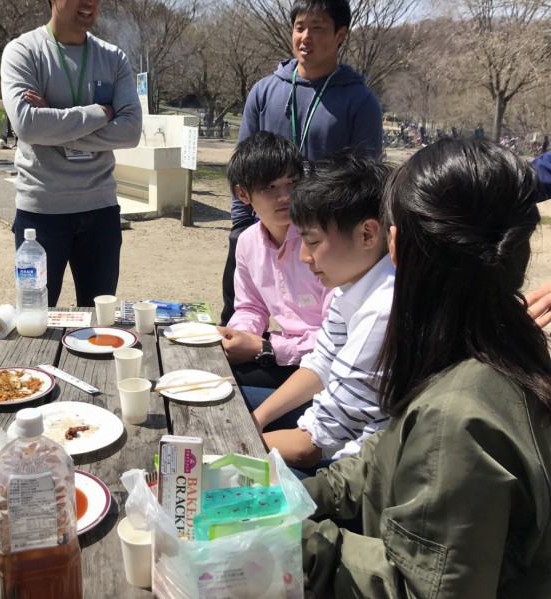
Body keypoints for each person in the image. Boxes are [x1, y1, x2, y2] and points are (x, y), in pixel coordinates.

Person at [301, 138, 551, 598]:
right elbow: (381, 458)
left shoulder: (457, 415)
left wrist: (296, 544)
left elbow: (422, 588)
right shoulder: (501, 345)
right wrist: (287, 498)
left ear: (394, 245)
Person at [221, 0, 383, 325]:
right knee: (242, 317)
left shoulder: (360, 101)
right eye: (299, 27)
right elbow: (243, 164)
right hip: (265, 229)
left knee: (320, 325)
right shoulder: (264, 91)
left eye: (318, 28)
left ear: (340, 34)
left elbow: (365, 181)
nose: (305, 37)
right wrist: (241, 226)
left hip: (324, 237)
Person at [251, 152, 393, 468]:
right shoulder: (353, 283)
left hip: (362, 474)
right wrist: (255, 420)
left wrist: (230, 440)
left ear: (368, 234)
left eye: (313, 242)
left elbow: (310, 446)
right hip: (339, 439)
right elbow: (322, 363)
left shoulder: (383, 311)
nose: (304, 256)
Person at [0, 0, 142, 307]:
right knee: (35, 315)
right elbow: (27, 125)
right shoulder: (23, 52)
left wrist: (53, 119)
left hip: (101, 209)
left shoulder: (113, 57)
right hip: (40, 212)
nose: (89, 2)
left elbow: (130, 132)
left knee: (99, 320)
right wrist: (102, 112)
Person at [217, 131, 331, 391]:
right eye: (270, 187)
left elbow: (339, 335)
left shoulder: (324, 240)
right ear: (243, 194)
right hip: (288, 353)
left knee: (228, 390)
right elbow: (251, 307)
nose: (285, 196)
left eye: (292, 182)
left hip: (329, 366)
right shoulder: (247, 242)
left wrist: (267, 348)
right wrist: (240, 335)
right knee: (212, 369)